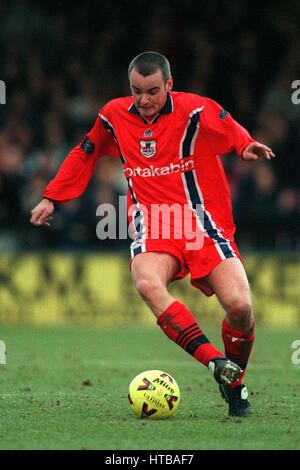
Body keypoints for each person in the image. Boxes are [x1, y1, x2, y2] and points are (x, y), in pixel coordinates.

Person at [30, 51, 275, 418]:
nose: (143, 100)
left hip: (202, 224)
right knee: (147, 283)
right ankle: (214, 362)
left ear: (169, 85)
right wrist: (52, 196)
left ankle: (233, 384)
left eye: (153, 91)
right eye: (136, 91)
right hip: (154, 224)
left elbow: (226, 127)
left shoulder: (194, 109)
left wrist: (244, 145)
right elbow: (85, 153)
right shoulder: (113, 115)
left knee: (240, 308)